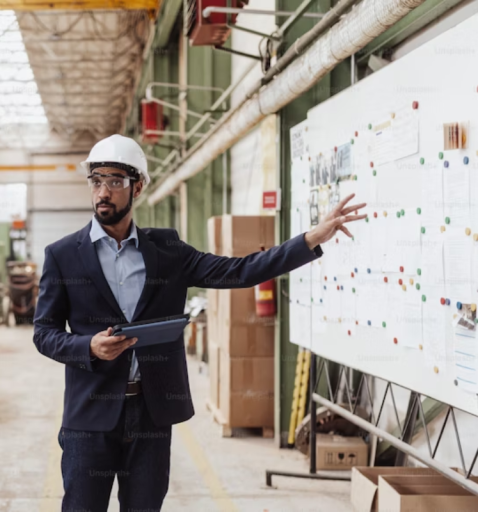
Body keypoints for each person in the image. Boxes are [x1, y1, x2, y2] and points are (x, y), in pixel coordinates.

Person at [32, 134, 366, 512]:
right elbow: (44, 333)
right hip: (89, 416)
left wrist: (309, 240)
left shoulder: (167, 250)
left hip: (151, 413)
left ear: (137, 186)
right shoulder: (62, 256)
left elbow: (239, 272)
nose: (102, 192)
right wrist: (87, 347)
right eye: (96, 182)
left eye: (114, 181)